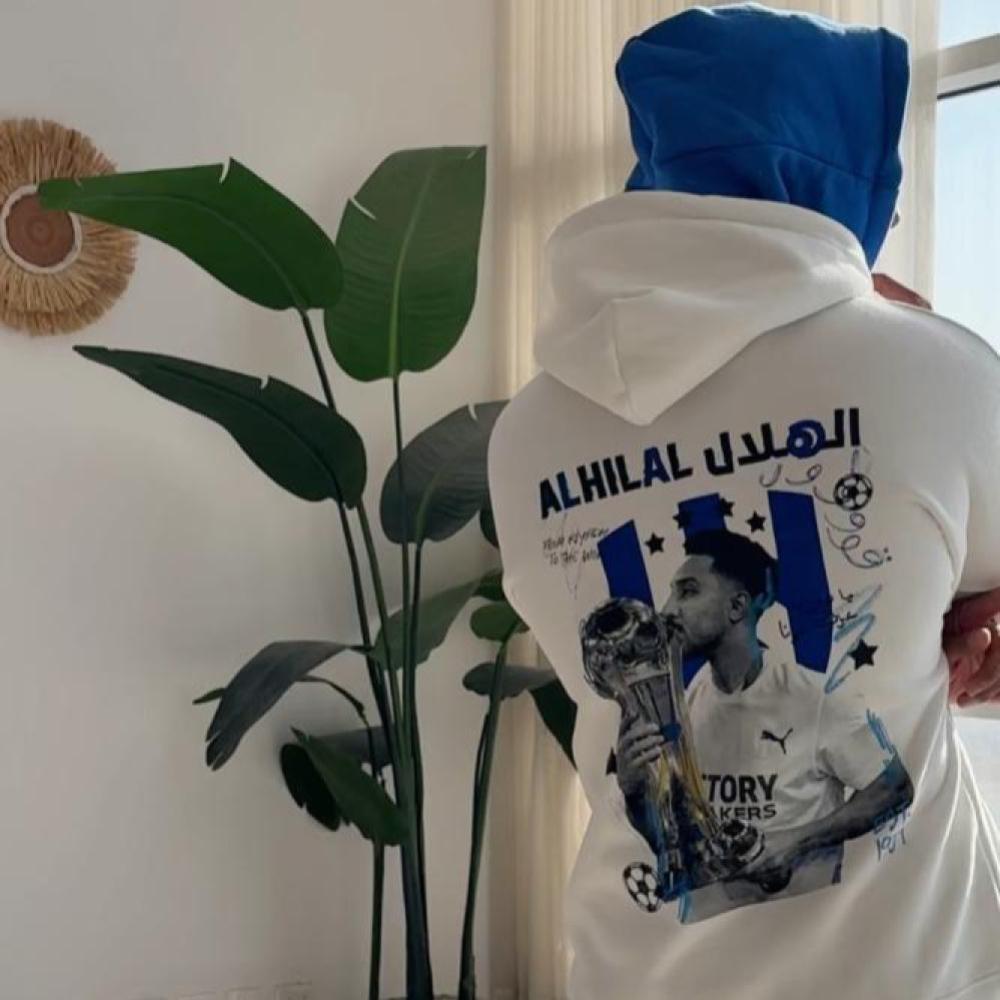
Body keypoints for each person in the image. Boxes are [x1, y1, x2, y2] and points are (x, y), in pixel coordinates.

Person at [487, 5, 1000, 998]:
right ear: (841, 180)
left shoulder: (523, 434)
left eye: (686, 586)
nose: (664, 602)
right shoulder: (936, 372)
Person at [614, 528, 913, 923]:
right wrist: (633, 789)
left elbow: (895, 787)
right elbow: (667, 842)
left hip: (804, 933)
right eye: (671, 594)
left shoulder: (814, 696)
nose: (667, 610)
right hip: (706, 943)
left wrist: (795, 841)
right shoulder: (684, 703)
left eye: (687, 592)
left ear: (737, 606)